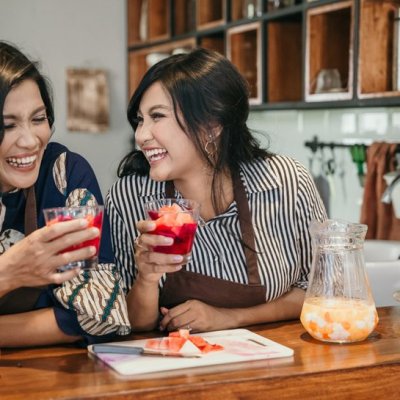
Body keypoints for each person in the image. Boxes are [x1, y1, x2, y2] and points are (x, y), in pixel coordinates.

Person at [106, 48, 327, 333]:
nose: (141, 135)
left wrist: (228, 318)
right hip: (177, 369)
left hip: (279, 362)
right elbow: (129, 326)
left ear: (211, 124)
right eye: (140, 120)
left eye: (157, 116)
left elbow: (324, 289)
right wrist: (146, 279)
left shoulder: (285, 181)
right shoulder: (129, 197)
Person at [0, 41, 130, 347]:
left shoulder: (64, 176)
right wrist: (9, 271)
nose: (31, 141)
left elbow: (101, 316)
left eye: (38, 119)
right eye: (8, 125)